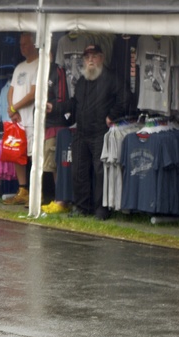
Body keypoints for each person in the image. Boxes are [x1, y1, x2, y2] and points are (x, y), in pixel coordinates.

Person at [70, 44, 126, 220]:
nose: (90, 60)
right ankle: (81, 206)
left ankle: (101, 209)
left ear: (101, 58)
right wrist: (54, 108)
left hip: (100, 132)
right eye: (87, 57)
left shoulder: (111, 78)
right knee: (79, 170)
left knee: (101, 172)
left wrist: (112, 116)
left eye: (94, 56)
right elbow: (73, 104)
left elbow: (125, 98)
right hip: (81, 133)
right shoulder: (81, 81)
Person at [4, 32, 39, 205]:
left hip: (31, 118)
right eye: (20, 45)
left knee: (33, 154)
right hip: (17, 118)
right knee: (18, 153)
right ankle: (22, 189)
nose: (22, 48)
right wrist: (12, 109)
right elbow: (11, 90)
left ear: (34, 44)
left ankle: (36, 191)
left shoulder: (40, 64)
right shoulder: (19, 66)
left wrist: (14, 107)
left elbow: (33, 93)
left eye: (25, 44)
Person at [41, 51, 76, 214]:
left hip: (56, 124)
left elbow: (62, 100)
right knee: (49, 164)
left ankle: (60, 200)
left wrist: (51, 106)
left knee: (56, 164)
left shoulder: (58, 71)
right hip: (44, 124)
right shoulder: (40, 71)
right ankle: (57, 198)